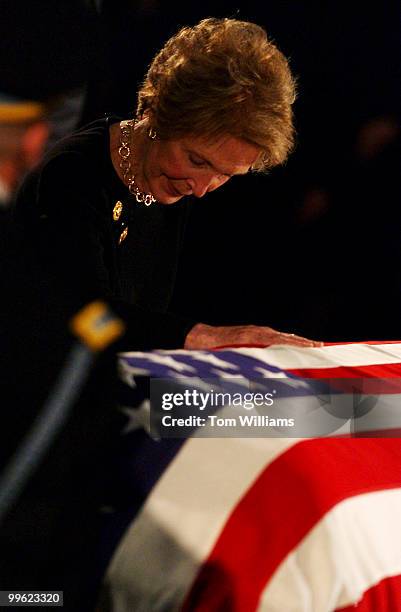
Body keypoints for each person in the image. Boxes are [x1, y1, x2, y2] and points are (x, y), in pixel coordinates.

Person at [6, 17, 321, 352]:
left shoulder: (173, 181)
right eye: (198, 161)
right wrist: (201, 336)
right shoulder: (71, 176)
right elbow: (83, 315)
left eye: (226, 175)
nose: (202, 188)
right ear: (158, 115)